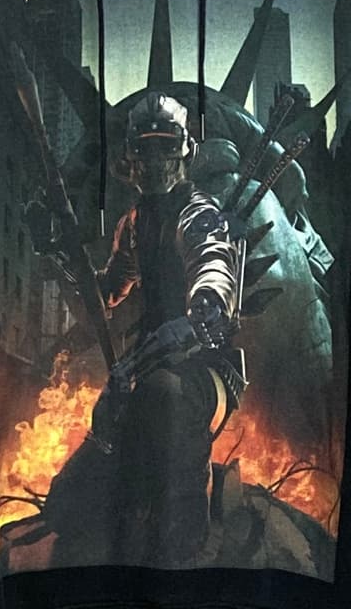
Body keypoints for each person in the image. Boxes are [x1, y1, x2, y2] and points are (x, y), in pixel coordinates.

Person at [33, 93, 247, 568]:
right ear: (130, 157)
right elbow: (106, 293)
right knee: (66, 505)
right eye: (144, 148)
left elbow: (213, 264)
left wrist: (204, 304)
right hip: (143, 368)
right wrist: (57, 248)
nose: (154, 160)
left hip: (203, 371)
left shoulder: (198, 213)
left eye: (165, 146)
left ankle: (187, 534)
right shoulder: (134, 223)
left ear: (184, 150)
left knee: (163, 398)